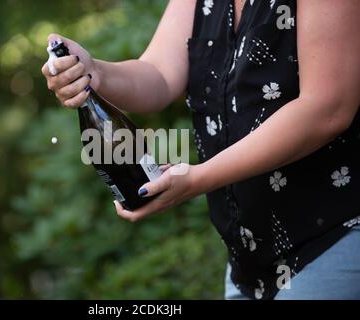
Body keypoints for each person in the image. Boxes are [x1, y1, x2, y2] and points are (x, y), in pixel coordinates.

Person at [42, 0, 360, 300]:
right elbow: (160, 75)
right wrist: (94, 72)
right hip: (247, 265)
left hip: (333, 237)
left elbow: (327, 108)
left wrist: (197, 179)